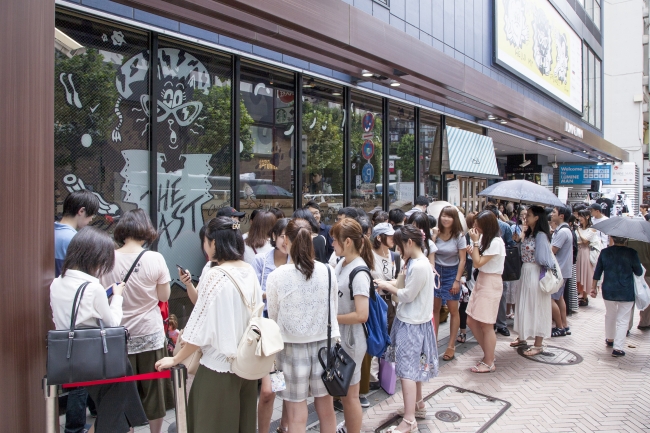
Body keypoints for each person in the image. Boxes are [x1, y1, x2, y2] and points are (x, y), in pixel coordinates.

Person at [155, 217, 262, 432]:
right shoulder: (248, 270)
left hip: (218, 369)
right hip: (246, 366)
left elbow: (200, 330)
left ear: (214, 243)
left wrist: (176, 358)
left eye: (205, 241)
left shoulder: (215, 275)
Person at [50, 227, 147, 433]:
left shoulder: (56, 283)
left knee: (110, 408)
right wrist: (118, 296)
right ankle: (133, 421)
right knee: (113, 410)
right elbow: (112, 323)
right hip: (99, 361)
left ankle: (131, 421)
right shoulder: (92, 288)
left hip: (71, 359)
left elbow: (71, 316)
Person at [99, 209, 172, 433]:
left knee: (124, 392)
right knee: (154, 391)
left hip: (119, 336)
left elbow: (102, 295)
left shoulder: (107, 258)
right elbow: (164, 297)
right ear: (145, 230)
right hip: (150, 334)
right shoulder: (155, 258)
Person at [266, 219, 339, 433]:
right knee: (326, 408)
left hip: (290, 348)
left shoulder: (276, 276)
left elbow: (273, 318)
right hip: (325, 348)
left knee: (297, 414)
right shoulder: (327, 271)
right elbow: (332, 309)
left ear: (286, 241)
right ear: (311, 240)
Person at [375, 225, 438, 433]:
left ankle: (409, 420)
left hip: (412, 324)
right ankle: (418, 405)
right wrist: (386, 283)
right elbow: (404, 285)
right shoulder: (418, 263)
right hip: (415, 323)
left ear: (410, 243)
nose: (399, 250)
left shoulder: (419, 266)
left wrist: (384, 286)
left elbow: (406, 294)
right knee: (414, 370)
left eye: (400, 246)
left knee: (408, 372)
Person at [54, 190, 100, 433]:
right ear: (81, 211)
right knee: (81, 375)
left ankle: (94, 409)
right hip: (77, 315)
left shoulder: (50, 231)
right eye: (91, 217)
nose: (90, 222)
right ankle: (75, 427)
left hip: (57, 312)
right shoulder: (73, 241)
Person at [330, 219, 372, 433]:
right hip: (344, 339)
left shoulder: (359, 272)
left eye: (334, 240)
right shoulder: (342, 262)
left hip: (352, 340)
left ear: (347, 242)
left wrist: (333, 319)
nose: (332, 244)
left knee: (350, 395)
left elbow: (362, 315)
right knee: (345, 394)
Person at [254, 218, 290, 433]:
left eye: (290, 235)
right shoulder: (260, 261)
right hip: (267, 334)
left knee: (288, 386)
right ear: (274, 236)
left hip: (289, 332)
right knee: (268, 391)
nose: (286, 240)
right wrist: (272, 294)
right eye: (282, 235)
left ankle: (283, 427)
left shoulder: (297, 262)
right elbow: (254, 292)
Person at [510, 205, 556, 356]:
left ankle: (538, 344)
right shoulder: (529, 233)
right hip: (526, 272)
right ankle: (522, 337)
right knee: (525, 304)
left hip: (536, 273)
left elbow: (543, 258)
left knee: (536, 306)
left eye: (529, 215)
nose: (525, 217)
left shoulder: (541, 235)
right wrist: (518, 240)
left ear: (537, 217)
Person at [465, 210, 506, 372]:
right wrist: (474, 248)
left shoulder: (496, 242)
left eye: (478, 226)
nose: (475, 229)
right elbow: (478, 260)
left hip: (490, 282)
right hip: (483, 280)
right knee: (472, 321)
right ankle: (489, 354)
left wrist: (475, 244)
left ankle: (489, 361)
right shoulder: (486, 239)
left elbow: (477, 263)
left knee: (487, 324)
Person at [592, 236, 643, 357]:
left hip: (608, 289)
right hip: (626, 290)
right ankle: (618, 348)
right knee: (623, 319)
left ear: (613, 239)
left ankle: (610, 339)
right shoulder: (632, 253)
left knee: (610, 315)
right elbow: (639, 272)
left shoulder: (605, 252)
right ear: (626, 239)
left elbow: (598, 271)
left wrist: (593, 287)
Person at [432, 206, 466, 361]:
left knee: (453, 310)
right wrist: (433, 237)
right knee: (435, 309)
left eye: (449, 216)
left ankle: (451, 345)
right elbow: (429, 251)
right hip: (436, 272)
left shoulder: (459, 236)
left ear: (454, 219)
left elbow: (463, 260)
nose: (446, 219)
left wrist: (457, 280)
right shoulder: (436, 233)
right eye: (443, 216)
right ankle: (433, 343)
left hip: (452, 273)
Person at [485, 204, 515, 338]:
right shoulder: (505, 226)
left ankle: (494, 323)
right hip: (498, 266)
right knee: (501, 295)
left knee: (496, 295)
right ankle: (500, 324)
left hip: (493, 267)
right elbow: (511, 245)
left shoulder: (502, 228)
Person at [550, 206, 573, 337]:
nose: (552, 214)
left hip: (558, 270)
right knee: (559, 298)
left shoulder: (563, 232)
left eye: (554, 212)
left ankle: (559, 327)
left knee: (550, 298)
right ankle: (564, 324)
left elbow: (552, 250)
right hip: (562, 270)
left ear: (561, 216)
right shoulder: (563, 230)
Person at [457, 212, 477, 344]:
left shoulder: (487, 238)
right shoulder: (466, 237)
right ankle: (463, 331)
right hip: (468, 274)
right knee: (464, 303)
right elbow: (462, 259)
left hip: (479, 273)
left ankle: (479, 331)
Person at [576, 210, 600, 306]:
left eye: (581, 216)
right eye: (579, 216)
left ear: (587, 217)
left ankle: (585, 296)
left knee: (585, 273)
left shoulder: (592, 229)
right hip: (579, 252)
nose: (580, 218)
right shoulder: (579, 228)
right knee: (578, 273)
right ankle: (581, 294)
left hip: (586, 252)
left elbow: (585, 241)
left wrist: (578, 231)